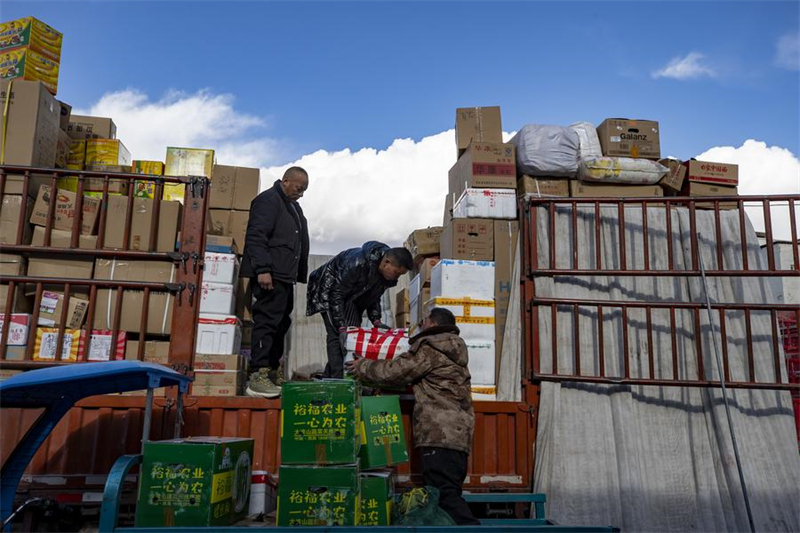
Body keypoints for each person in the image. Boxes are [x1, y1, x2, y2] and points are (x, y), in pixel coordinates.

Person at [345, 307, 479, 526]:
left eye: (424, 321)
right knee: (447, 493)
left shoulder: (432, 348)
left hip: (440, 433)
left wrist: (363, 366)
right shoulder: (453, 350)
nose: (421, 325)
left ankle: (472, 529)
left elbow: (397, 370)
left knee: (442, 494)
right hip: (457, 434)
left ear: (433, 324)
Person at [240, 166, 309, 398]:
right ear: (286, 181)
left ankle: (271, 372)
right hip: (270, 273)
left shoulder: (292, 206)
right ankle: (257, 374)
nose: (301, 194)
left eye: (304, 191)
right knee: (267, 321)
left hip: (284, 276)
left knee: (281, 323)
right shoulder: (268, 201)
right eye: (299, 188)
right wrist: (262, 269)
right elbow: (256, 235)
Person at [306, 241, 413, 378]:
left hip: (350, 296)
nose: (397, 277)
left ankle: (330, 375)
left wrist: (376, 320)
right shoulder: (357, 262)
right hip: (328, 289)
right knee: (337, 335)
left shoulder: (385, 275)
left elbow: (374, 296)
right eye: (397, 273)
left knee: (352, 336)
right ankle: (338, 380)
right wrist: (341, 327)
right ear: (386, 262)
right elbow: (336, 294)